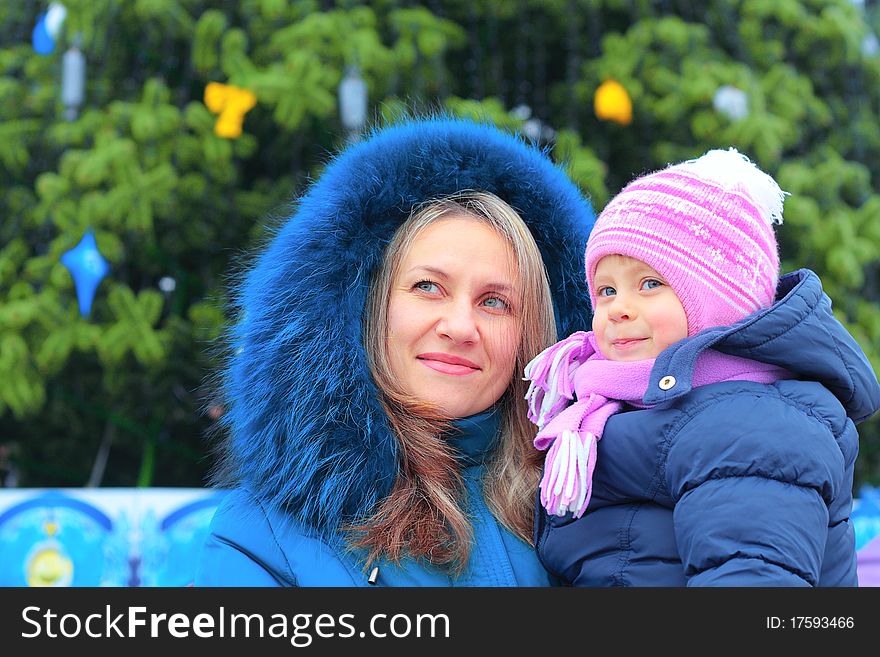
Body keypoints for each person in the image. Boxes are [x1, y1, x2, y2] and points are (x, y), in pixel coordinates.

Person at [194, 118, 597, 586]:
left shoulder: (597, 512)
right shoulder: (262, 538)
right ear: (367, 308)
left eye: (495, 302)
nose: (461, 327)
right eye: (428, 287)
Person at [524, 148, 880, 586]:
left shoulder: (752, 425)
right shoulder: (609, 405)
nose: (618, 309)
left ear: (720, 301)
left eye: (649, 284)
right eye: (607, 290)